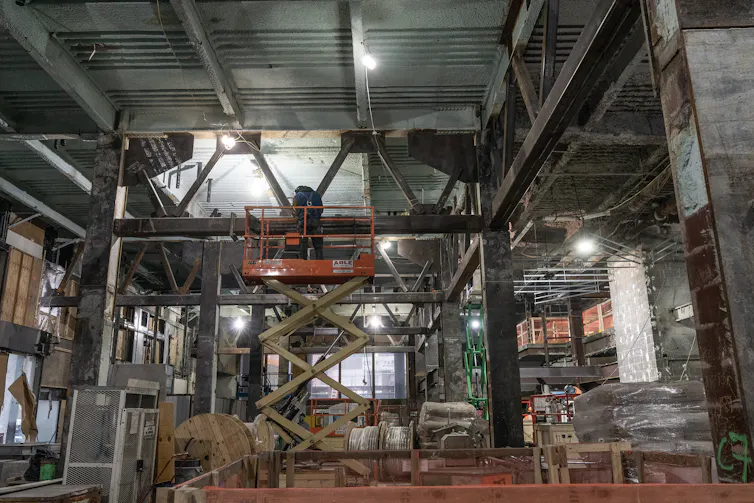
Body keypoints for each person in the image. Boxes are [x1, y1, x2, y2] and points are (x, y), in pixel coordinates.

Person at [293, 185, 324, 260]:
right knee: (318, 245)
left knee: (303, 244)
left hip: (303, 223)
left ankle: (303, 261)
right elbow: (321, 209)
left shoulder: (297, 196)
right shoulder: (316, 194)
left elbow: (295, 211)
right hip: (315, 223)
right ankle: (320, 261)